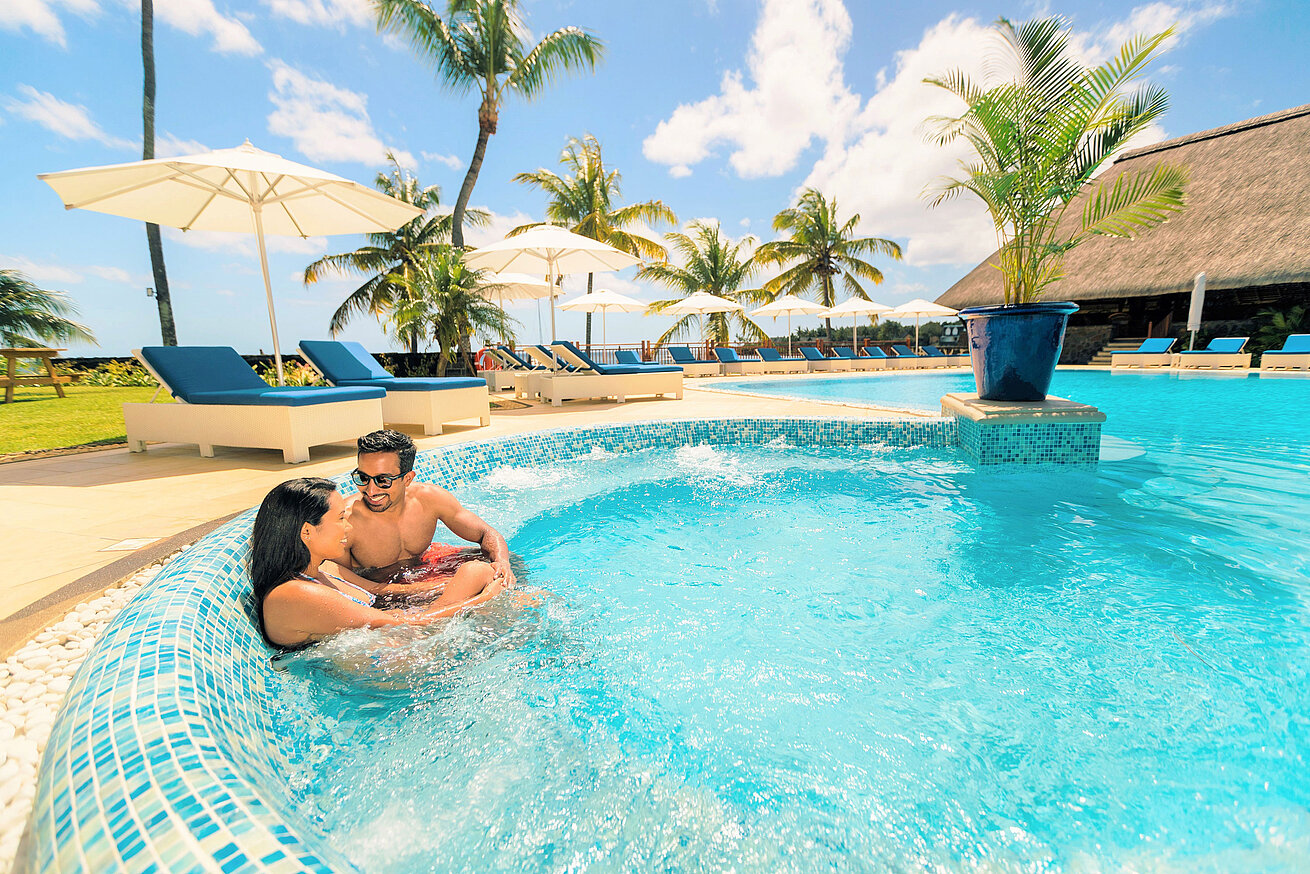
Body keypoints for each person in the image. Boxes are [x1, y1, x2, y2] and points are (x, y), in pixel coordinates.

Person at [251, 477, 503, 650]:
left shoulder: (322, 570)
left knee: (476, 573)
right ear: (307, 532)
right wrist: (483, 599)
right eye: (340, 518)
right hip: (382, 669)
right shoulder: (296, 594)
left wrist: (443, 585)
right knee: (481, 580)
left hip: (393, 636)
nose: (348, 527)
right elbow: (403, 624)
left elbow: (385, 593)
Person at [342, 430, 517, 592]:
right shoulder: (345, 519)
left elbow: (485, 533)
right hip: (380, 592)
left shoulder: (429, 499)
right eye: (363, 478)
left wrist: (502, 563)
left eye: (383, 480)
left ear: (407, 478)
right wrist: (418, 590)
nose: (371, 490)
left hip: (421, 571)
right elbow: (333, 577)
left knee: (507, 562)